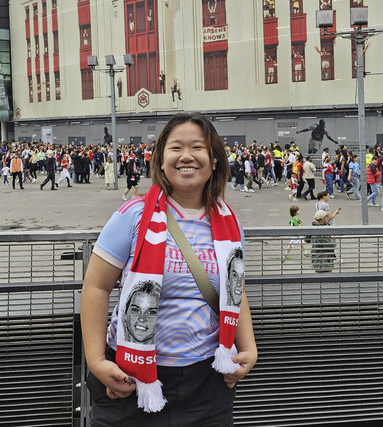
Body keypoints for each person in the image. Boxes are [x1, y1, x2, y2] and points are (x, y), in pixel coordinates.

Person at [80, 112, 257, 424]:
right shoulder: (131, 216)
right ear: (160, 160)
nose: (186, 156)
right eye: (176, 148)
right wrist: (95, 361)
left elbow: (234, 291)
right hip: (130, 377)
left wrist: (249, 348)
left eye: (197, 147)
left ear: (214, 160)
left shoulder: (229, 223)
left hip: (207, 380)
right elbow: (97, 287)